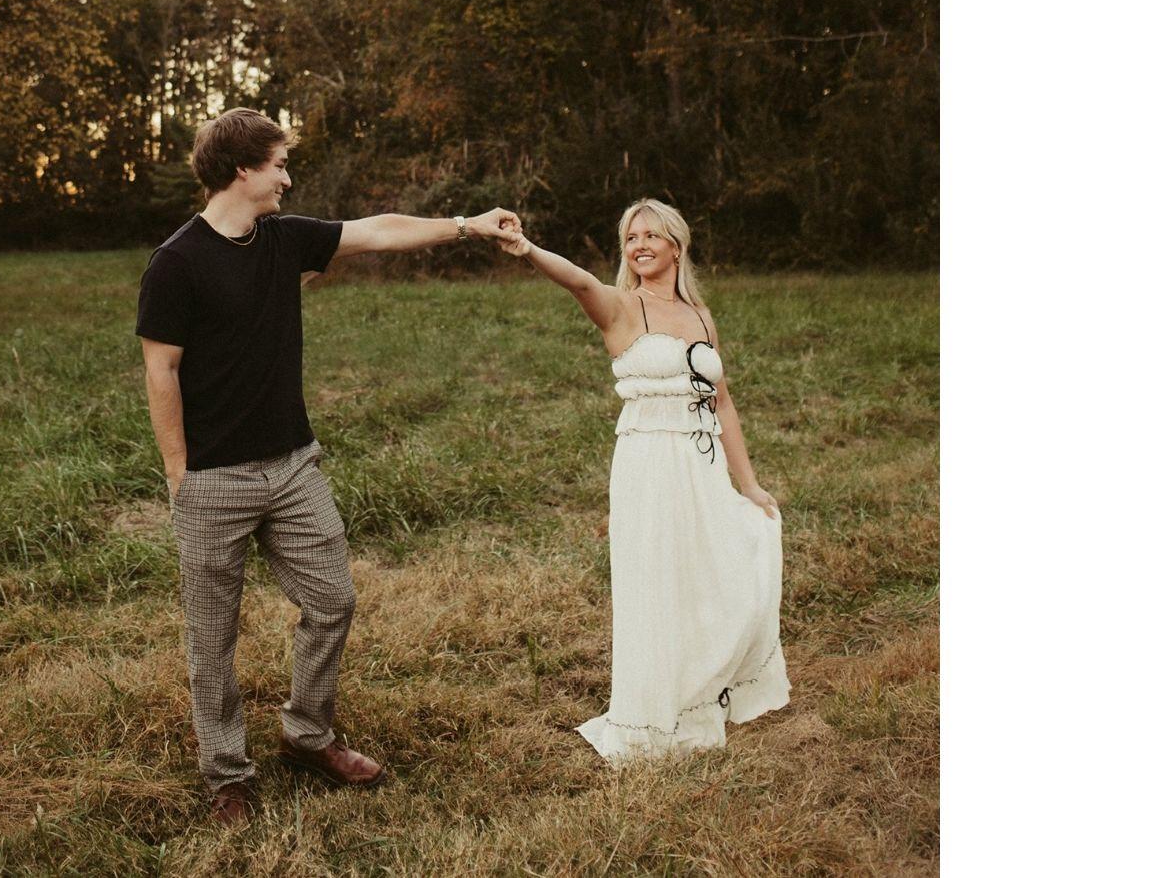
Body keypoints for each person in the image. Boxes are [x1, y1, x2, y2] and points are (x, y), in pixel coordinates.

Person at [137, 108, 520, 824]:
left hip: (292, 466)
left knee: (333, 600)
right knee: (212, 639)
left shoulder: (282, 240)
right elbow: (161, 370)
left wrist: (467, 225)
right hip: (213, 480)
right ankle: (227, 776)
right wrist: (178, 472)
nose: (286, 178)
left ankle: (307, 736)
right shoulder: (177, 262)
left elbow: (377, 230)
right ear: (243, 168)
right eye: (279, 164)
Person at [498, 197, 789, 756]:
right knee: (656, 579)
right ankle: (652, 711)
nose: (640, 246)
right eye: (631, 238)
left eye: (652, 235)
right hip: (649, 462)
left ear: (676, 246)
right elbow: (579, 281)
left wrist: (748, 483)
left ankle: (702, 686)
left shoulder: (701, 315)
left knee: (716, 569)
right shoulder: (621, 307)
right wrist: (529, 249)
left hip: (702, 463)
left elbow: (722, 403)